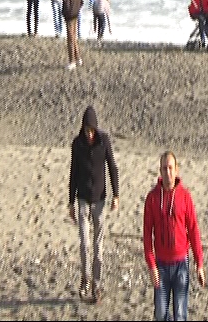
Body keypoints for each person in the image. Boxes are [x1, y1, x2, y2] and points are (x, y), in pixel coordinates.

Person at [143, 151, 205, 321]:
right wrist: (152, 265)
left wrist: (199, 263)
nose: (168, 172)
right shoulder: (152, 199)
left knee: (180, 314)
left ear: (176, 170)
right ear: (160, 171)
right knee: (161, 314)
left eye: (171, 168)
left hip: (181, 265)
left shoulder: (185, 197)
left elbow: (193, 229)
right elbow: (147, 235)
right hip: (161, 265)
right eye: (164, 168)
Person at [69, 105, 120, 304]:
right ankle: (85, 279)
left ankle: (97, 284)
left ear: (96, 129)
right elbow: (73, 172)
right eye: (86, 130)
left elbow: (112, 167)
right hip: (82, 198)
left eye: (91, 130)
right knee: (84, 244)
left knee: (98, 247)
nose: (89, 134)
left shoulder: (103, 141)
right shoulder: (77, 144)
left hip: (100, 199)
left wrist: (116, 195)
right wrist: (70, 202)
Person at [62, 0, 84, 70]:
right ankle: (78, 58)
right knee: (74, 37)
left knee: (70, 39)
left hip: (69, 15)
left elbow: (66, 3)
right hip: (76, 13)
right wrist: (77, 9)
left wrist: (65, 13)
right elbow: (81, 1)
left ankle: (72, 61)